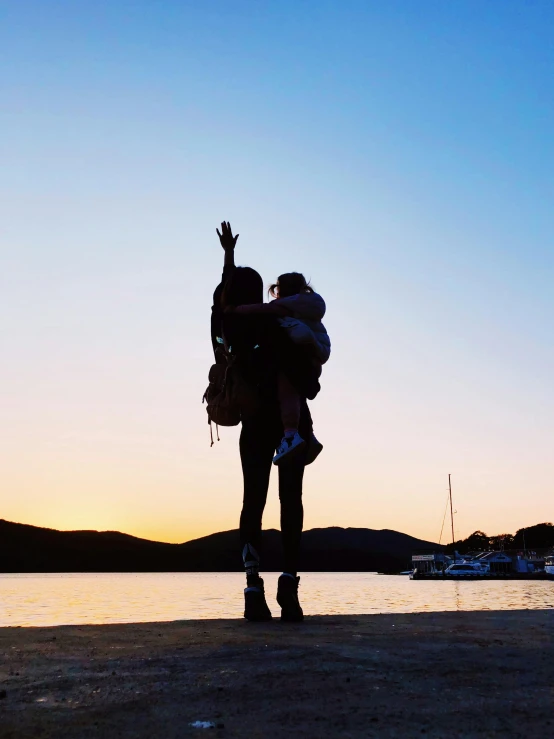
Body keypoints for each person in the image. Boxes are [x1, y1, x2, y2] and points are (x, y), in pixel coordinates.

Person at [211, 222, 321, 622]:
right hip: (290, 425)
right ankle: (288, 589)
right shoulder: (277, 322)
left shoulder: (232, 327)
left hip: (256, 424)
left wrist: (227, 258)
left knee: (251, 504)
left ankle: (252, 587)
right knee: (290, 503)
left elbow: (224, 305)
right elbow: (310, 384)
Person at [230, 272, 330, 464]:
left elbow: (261, 309)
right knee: (298, 394)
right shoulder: (310, 306)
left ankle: (291, 435)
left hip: (300, 359)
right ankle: (310, 434)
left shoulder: (283, 307)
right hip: (314, 360)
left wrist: (236, 310)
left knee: (287, 391)